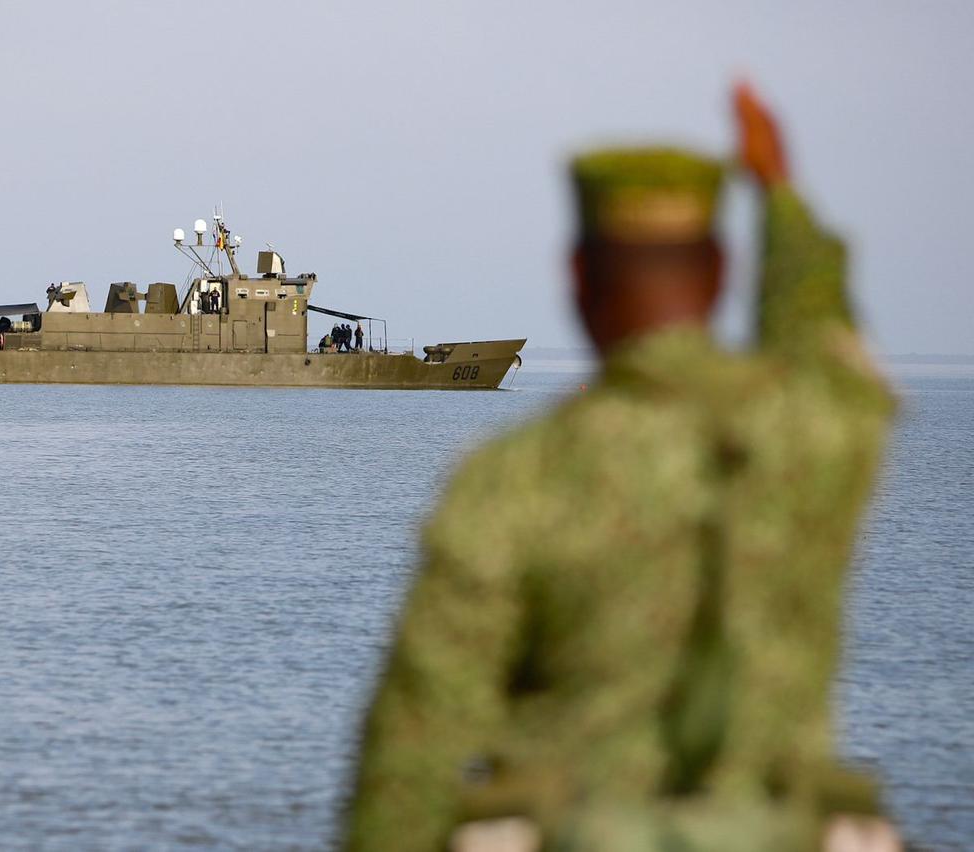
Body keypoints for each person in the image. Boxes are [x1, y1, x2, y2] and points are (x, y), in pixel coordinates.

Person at [342, 85, 896, 852]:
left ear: (577, 276)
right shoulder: (822, 431)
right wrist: (780, 200)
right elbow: (829, 347)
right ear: (721, 272)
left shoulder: (514, 479)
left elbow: (413, 751)